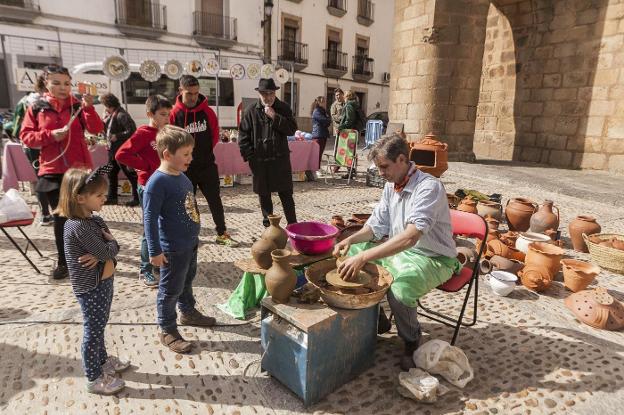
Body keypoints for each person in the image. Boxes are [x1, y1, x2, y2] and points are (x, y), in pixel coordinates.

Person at [332, 134, 461, 371]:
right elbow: (375, 226)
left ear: (402, 159)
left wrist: (364, 257)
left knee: (399, 290)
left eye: (384, 166)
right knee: (351, 253)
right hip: (401, 249)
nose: (380, 172)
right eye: (378, 167)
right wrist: (350, 240)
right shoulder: (391, 186)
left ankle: (411, 339)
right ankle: (376, 314)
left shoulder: (428, 187)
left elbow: (411, 237)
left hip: (433, 257)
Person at [20, 65, 104, 279]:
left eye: (66, 83)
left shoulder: (77, 105)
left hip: (79, 171)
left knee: (83, 216)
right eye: (56, 83)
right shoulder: (37, 107)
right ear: (46, 83)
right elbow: (26, 136)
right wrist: (49, 135)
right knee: (61, 218)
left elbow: (95, 129)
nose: (62, 87)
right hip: (52, 170)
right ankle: (65, 261)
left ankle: (89, 255)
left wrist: (89, 108)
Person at [143, 125, 216, 354]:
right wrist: (154, 251)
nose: (190, 158)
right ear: (167, 154)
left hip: (189, 245)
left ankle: (188, 312)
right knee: (170, 289)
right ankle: (167, 329)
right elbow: (149, 218)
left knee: (187, 280)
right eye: (185, 154)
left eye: (190, 153)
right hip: (172, 248)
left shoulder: (182, 176)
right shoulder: (157, 183)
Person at [58, 167, 130, 395]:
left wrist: (106, 249)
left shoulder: (94, 220)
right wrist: (109, 248)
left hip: (103, 283)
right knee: (94, 331)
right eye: (99, 195)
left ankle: (102, 362)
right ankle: (93, 377)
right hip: (92, 287)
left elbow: (108, 246)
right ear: (80, 198)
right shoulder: (78, 226)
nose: (104, 198)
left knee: (100, 326)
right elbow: (110, 249)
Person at [170, 75, 238, 247]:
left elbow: (214, 136)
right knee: (189, 203)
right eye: (189, 94)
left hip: (207, 165)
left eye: (195, 93)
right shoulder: (174, 114)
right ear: (180, 91)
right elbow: (169, 140)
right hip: (185, 169)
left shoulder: (208, 112)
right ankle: (192, 235)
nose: (193, 97)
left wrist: (202, 154)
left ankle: (222, 233)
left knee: (215, 200)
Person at [115, 95, 171, 288]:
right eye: (163, 114)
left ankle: (159, 261)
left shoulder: (165, 133)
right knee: (149, 229)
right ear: (150, 114)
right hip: (148, 186)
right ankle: (145, 269)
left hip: (164, 185)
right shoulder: (143, 133)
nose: (167, 118)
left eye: (168, 114)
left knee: (162, 226)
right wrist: (144, 165)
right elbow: (121, 154)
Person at [238, 78, 298, 227]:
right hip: (260, 162)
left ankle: (293, 225)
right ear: (259, 94)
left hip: (280, 161)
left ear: (275, 93)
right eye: (264, 94)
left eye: (271, 93)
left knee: (286, 194)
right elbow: (243, 137)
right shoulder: (250, 110)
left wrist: (275, 117)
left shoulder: (283, 108)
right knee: (264, 195)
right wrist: (251, 158)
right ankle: (269, 226)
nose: (268, 97)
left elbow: (291, 129)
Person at [9, 86, 52, 225]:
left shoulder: (25, 101)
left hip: (33, 147)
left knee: (41, 179)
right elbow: (19, 126)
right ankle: (48, 214)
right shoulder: (35, 103)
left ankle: (46, 214)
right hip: (40, 146)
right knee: (46, 179)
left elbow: (17, 128)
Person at [100, 93, 139, 207]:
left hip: (122, 150)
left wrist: (117, 136)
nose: (104, 108)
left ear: (108, 105)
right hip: (113, 151)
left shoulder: (121, 115)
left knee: (130, 174)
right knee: (111, 174)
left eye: (104, 105)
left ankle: (137, 198)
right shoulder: (113, 114)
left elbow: (132, 130)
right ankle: (112, 198)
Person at [305, 96, 331, 181]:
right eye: (323, 101)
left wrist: (327, 120)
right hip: (318, 134)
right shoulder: (317, 111)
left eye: (325, 101)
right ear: (318, 102)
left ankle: (317, 168)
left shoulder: (322, 111)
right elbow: (325, 121)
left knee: (320, 153)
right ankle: (315, 169)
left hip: (322, 134)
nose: (325, 103)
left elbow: (327, 122)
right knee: (317, 154)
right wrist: (328, 119)